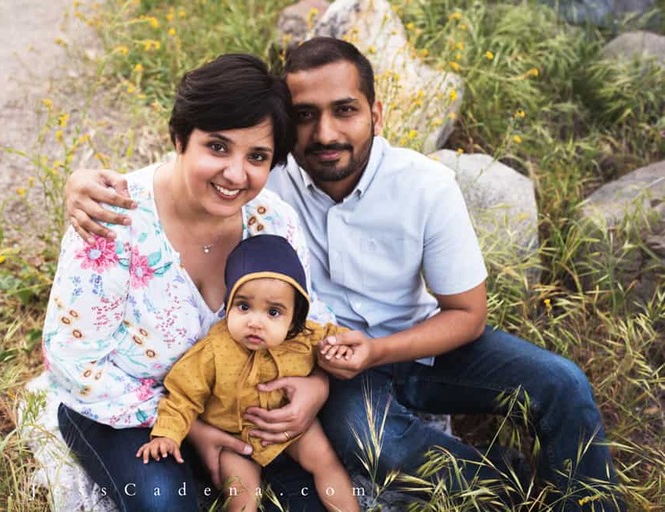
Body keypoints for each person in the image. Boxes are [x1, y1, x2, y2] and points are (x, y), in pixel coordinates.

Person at [65, 38, 626, 510]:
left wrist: (370, 355)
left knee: (562, 382)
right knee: (371, 440)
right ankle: (510, 489)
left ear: (376, 114)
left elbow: (468, 314)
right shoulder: (264, 182)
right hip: (323, 366)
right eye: (305, 115)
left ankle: (591, 502)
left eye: (345, 110)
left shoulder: (420, 187)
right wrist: (79, 184)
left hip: (414, 345)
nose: (325, 133)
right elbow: (194, 160)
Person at [41, 52, 341, 511]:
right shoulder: (112, 219)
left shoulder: (272, 222)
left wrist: (318, 384)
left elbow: (305, 318)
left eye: (257, 156)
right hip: (122, 408)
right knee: (164, 501)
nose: (235, 174)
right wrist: (191, 426)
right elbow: (73, 360)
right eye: (217, 147)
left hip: (238, 401)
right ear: (180, 137)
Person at [136, 234, 358, 512]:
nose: (255, 322)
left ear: (294, 320)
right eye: (243, 306)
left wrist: (340, 349)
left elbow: (338, 338)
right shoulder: (213, 350)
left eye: (273, 312)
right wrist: (167, 435)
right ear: (228, 304)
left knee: (324, 459)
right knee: (242, 494)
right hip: (233, 437)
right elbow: (182, 395)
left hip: (291, 427)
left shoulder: (305, 338)